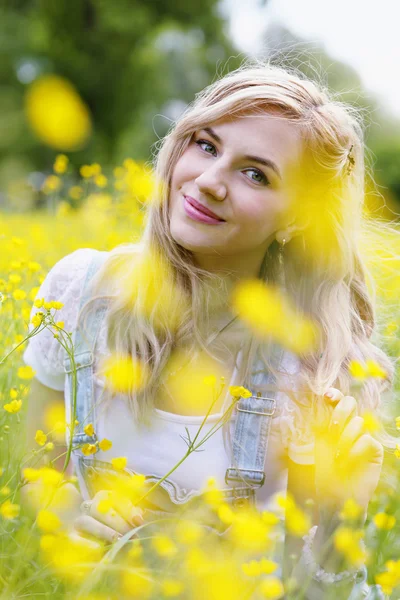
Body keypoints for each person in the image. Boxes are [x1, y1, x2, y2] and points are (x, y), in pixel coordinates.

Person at [23, 60, 396, 599]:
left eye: (256, 174)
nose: (209, 181)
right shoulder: (80, 292)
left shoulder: (315, 372)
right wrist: (70, 526)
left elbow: (321, 591)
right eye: (205, 144)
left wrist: (345, 513)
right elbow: (39, 477)